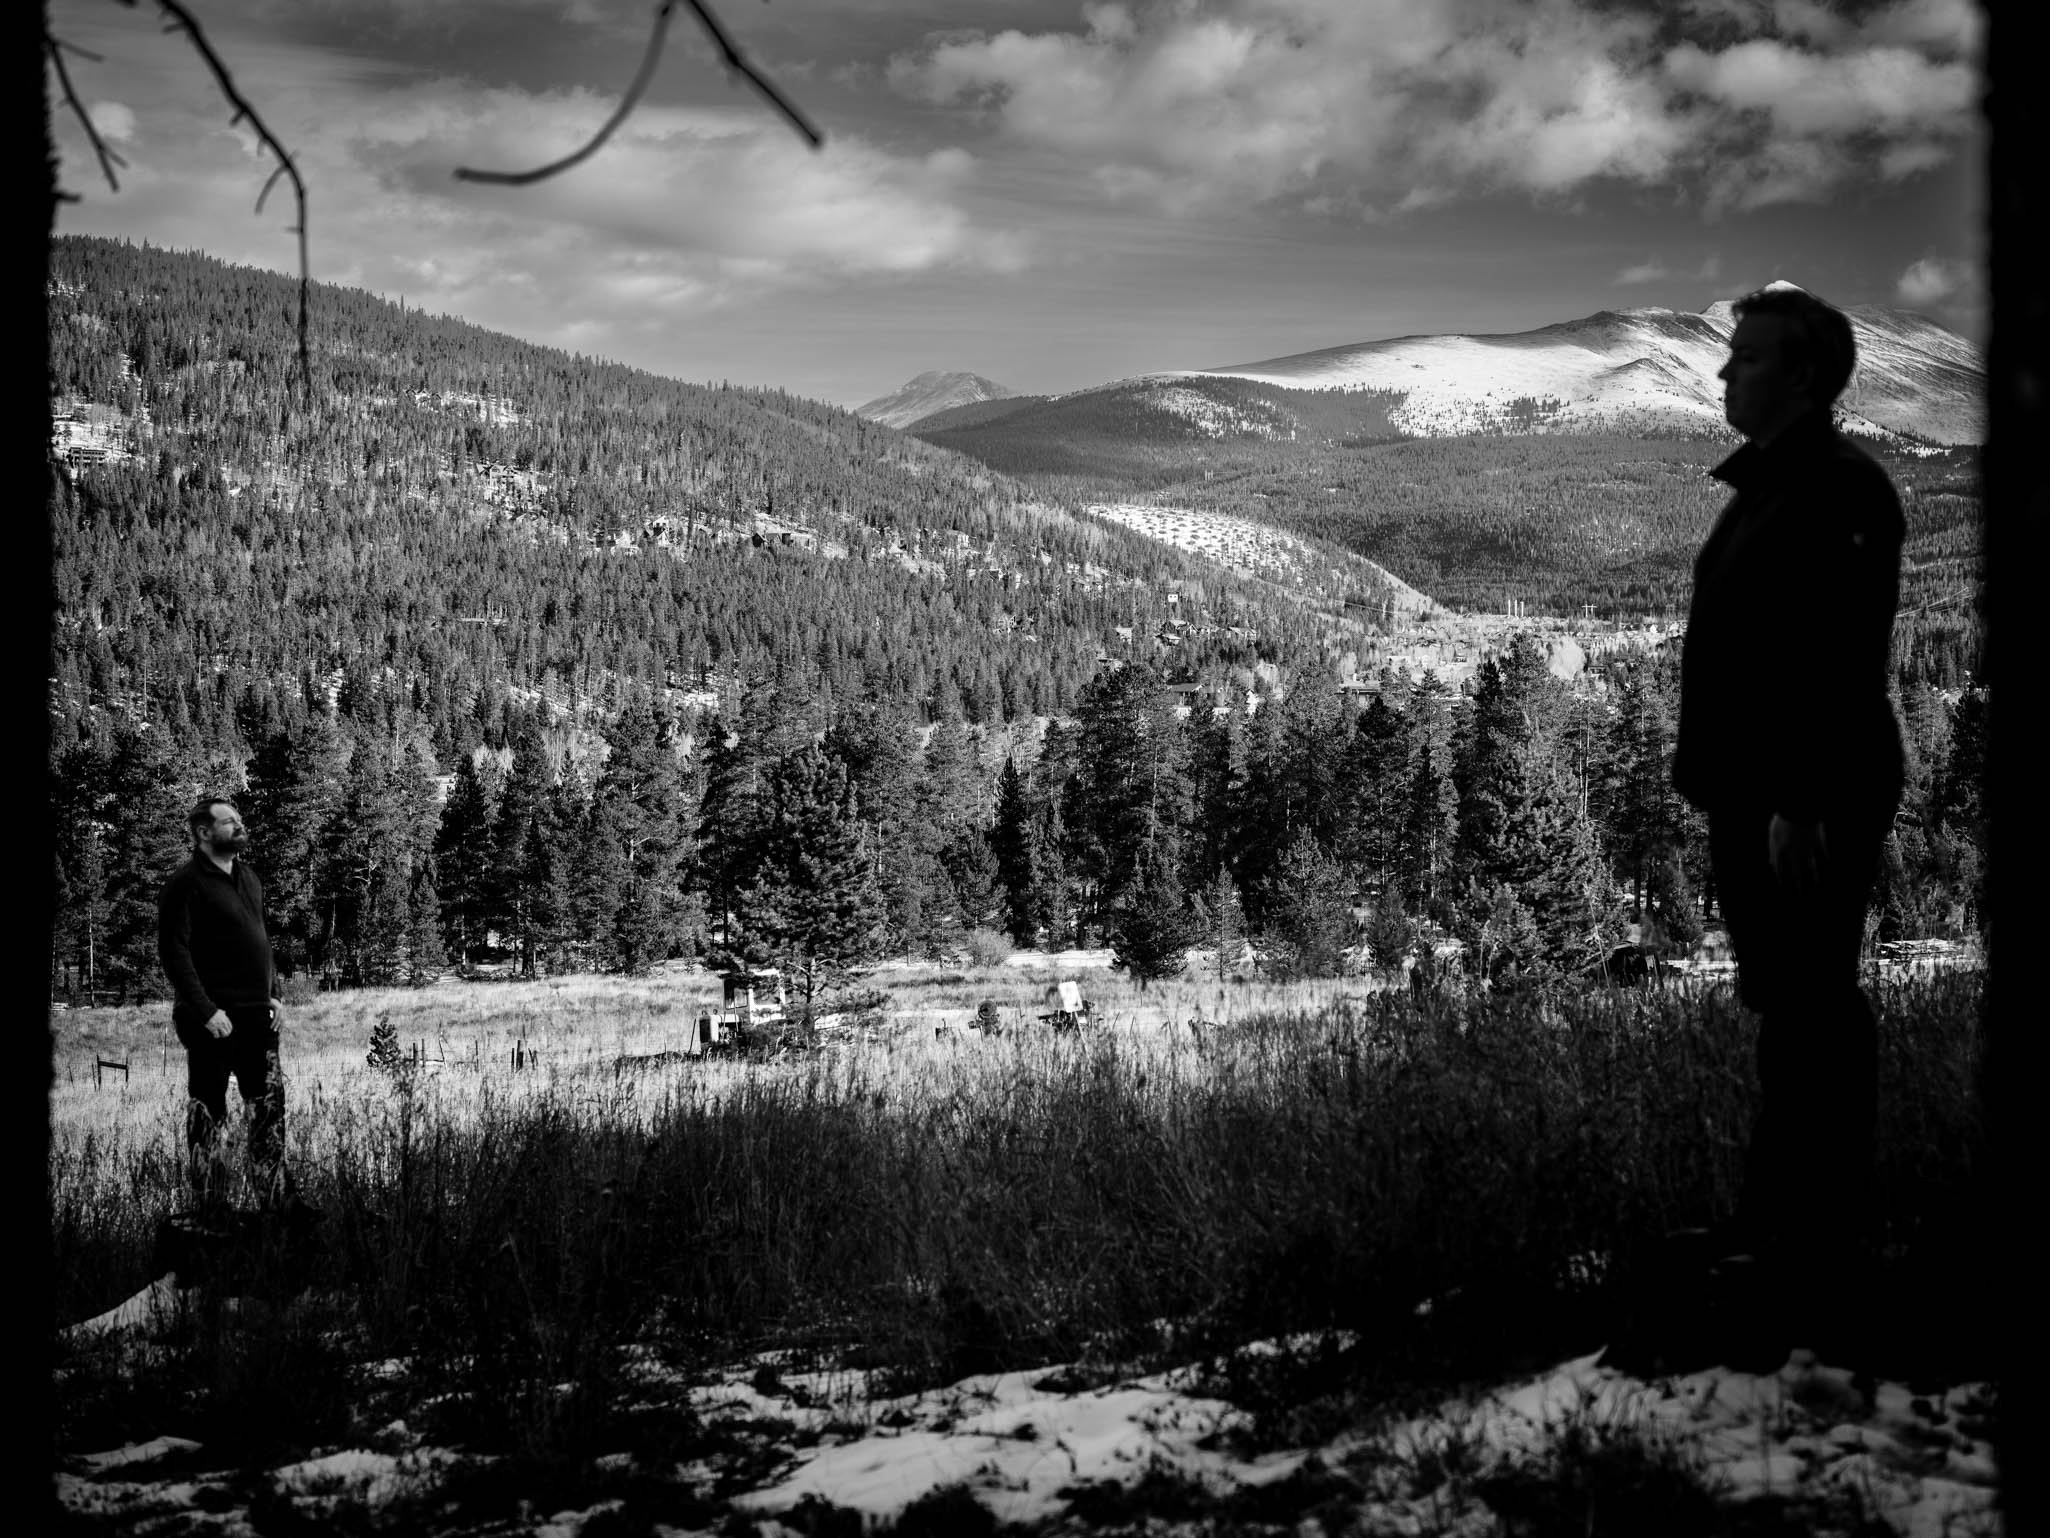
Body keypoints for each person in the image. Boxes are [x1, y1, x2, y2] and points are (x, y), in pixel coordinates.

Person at [1673, 284, 1905, 1357]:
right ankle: (1776, 1228)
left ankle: (1812, 1247)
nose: (1724, 375)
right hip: (1759, 798)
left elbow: (1838, 656)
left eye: (1747, 358)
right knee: (1791, 1009)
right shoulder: (1772, 482)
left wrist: (1801, 800)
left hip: (1797, 804)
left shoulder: (1834, 488)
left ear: (1804, 375)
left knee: (1814, 1009)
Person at [158, 796, 292, 1206]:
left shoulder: (248, 877)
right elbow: (174, 952)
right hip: (213, 1020)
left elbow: (261, 938)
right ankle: (210, 1206)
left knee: (268, 1109)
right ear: (203, 832)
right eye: (227, 821)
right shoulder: (185, 884)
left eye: (238, 818)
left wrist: (275, 994)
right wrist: (206, 1011)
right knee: (208, 1114)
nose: (238, 825)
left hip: (257, 1017)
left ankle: (274, 1200)